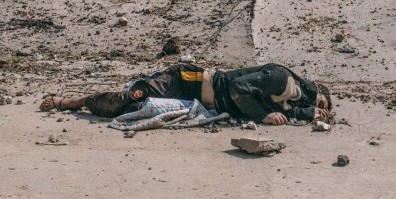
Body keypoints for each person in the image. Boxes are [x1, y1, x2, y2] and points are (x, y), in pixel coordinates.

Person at [42, 61, 332, 126]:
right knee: (130, 100)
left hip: (199, 100)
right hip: (189, 80)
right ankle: (71, 102)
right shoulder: (283, 78)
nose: (316, 105)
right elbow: (239, 89)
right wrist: (264, 114)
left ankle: (75, 102)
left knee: (132, 110)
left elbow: (272, 106)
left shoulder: (292, 97)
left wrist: (305, 114)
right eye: (320, 101)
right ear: (315, 88)